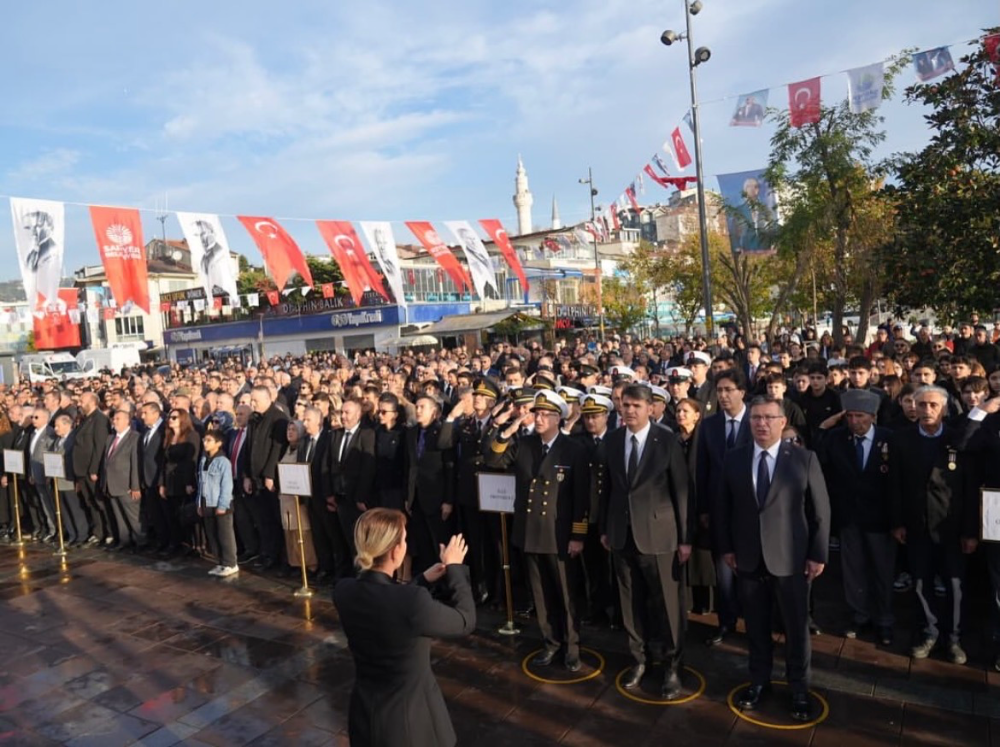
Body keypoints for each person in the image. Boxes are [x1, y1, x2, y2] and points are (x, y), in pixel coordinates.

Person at [715, 395, 830, 722]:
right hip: (748, 560)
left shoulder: (803, 459)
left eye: (768, 418)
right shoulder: (734, 459)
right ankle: (759, 681)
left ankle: (799, 688)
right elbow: (723, 507)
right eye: (755, 418)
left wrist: (817, 554)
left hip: (791, 559)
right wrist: (727, 548)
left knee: (796, 629)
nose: (761, 424)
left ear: (782, 422)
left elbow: (821, 511)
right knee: (756, 627)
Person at [333, 509, 475, 747]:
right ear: (395, 551)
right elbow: (465, 620)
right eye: (404, 540)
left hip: (365, 716)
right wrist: (455, 569)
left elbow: (384, 602)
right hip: (412, 724)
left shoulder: (343, 591)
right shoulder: (412, 602)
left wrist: (421, 579)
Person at [487, 390, 589, 671]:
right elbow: (494, 460)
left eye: (545, 414)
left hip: (558, 534)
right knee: (540, 593)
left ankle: (571, 646)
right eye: (537, 413)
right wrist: (510, 428)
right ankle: (550, 642)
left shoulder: (573, 450)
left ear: (558, 418)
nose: (539, 418)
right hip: (530, 531)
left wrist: (578, 535)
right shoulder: (526, 444)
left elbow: (581, 498)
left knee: (565, 595)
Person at [601, 383, 691, 699]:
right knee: (630, 603)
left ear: (650, 408)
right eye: (625, 405)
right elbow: (609, 488)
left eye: (636, 405)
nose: (629, 410)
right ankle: (639, 660)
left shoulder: (666, 440)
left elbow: (681, 490)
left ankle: (672, 666)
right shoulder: (612, 441)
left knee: (667, 605)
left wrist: (685, 538)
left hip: (660, 535)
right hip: (622, 534)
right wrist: (605, 528)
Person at [890, 385, 978, 665]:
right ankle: (928, 633)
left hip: (951, 527)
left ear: (944, 408)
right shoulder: (902, 439)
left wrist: (970, 531)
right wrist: (897, 522)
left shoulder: (957, 440)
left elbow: (968, 487)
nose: (926, 410)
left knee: (954, 585)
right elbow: (895, 484)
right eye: (921, 405)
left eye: (933, 405)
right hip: (916, 525)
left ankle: (953, 638)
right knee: (920, 582)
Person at [816, 389, 895, 645]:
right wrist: (824, 427)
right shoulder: (837, 438)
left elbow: (898, 482)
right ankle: (859, 615)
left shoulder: (889, 439)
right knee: (853, 570)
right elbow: (816, 458)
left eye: (859, 416)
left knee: (882, 572)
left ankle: (883, 619)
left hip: (881, 518)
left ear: (872, 416)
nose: (854, 422)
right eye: (849, 416)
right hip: (849, 517)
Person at [696, 369, 750, 646]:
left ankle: (754, 623)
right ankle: (726, 622)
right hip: (719, 511)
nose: (724, 395)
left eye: (729, 389)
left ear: (742, 391)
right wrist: (704, 509)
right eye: (719, 391)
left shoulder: (758, 420)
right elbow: (702, 470)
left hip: (751, 511)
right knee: (724, 573)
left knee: (752, 572)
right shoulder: (709, 425)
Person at [159, 408, 201, 556]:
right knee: (171, 514)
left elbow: (192, 460)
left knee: (184, 513)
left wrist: (189, 482)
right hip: (169, 480)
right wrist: (162, 483)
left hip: (183, 480)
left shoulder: (191, 435)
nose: (171, 419)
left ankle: (191, 544)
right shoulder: (169, 436)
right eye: (170, 417)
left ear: (183, 419)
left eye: (175, 417)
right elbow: (164, 462)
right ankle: (176, 542)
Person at [197, 429, 238, 576]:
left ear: (218, 443)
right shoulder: (203, 460)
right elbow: (201, 483)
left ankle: (230, 562)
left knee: (224, 534)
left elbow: (227, 485)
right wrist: (199, 503)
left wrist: (222, 505)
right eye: (204, 440)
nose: (205, 443)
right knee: (212, 534)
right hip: (206, 502)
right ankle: (220, 562)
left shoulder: (223, 462)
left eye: (209, 440)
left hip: (220, 503)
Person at [101, 409, 143, 551]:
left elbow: (135, 463)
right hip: (111, 484)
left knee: (133, 517)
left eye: (118, 418)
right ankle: (124, 541)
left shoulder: (134, 437)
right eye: (114, 418)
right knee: (119, 516)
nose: (115, 421)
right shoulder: (110, 438)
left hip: (127, 485)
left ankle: (140, 542)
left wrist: (135, 486)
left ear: (127, 421)